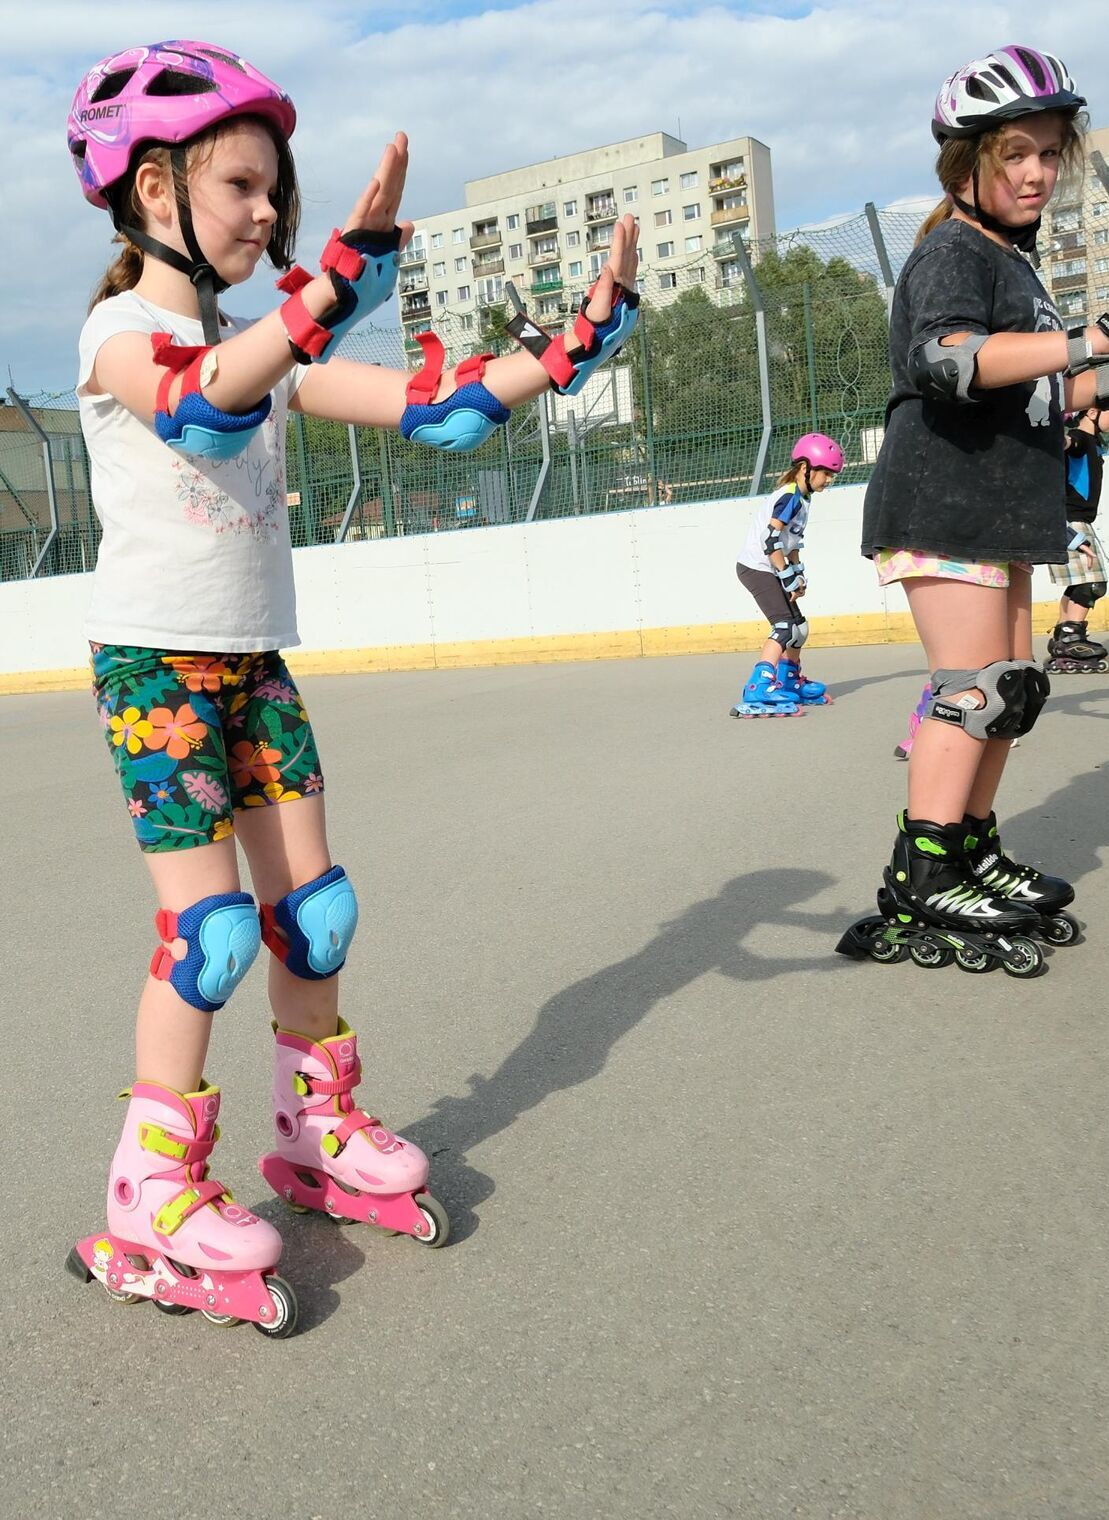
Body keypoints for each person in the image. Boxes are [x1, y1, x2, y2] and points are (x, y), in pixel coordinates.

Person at [63, 39, 640, 1335]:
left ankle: (314, 1128)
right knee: (207, 937)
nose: (271, 212)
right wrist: (319, 294)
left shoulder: (263, 343)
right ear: (154, 191)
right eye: (242, 186)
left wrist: (567, 352)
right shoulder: (122, 332)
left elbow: (435, 414)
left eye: (279, 189)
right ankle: (152, 1191)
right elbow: (200, 405)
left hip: (253, 662)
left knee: (312, 917)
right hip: (154, 668)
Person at [838, 44, 1109, 977]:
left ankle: (968, 851)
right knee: (971, 694)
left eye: (1049, 153)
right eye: (1016, 154)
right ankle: (923, 872)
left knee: (1012, 697)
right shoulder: (955, 251)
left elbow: (1040, 395)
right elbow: (949, 360)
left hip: (1001, 505)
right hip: (945, 500)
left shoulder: (1012, 262)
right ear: (970, 164)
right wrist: (1089, 337)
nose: (1037, 171)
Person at [731, 433, 844, 717]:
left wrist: (798, 572)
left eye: (832, 474)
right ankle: (759, 686)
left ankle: (789, 680)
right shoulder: (790, 496)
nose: (829, 480)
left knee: (799, 629)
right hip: (757, 568)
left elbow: (791, 542)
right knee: (784, 626)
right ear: (806, 467)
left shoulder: (803, 499)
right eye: (826, 473)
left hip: (772, 567)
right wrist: (787, 575)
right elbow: (771, 540)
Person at [1046, 405, 1109, 672]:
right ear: (1092, 412)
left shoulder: (1093, 442)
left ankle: (1062, 636)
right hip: (1070, 523)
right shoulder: (1079, 439)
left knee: (1079, 584)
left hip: (1078, 522)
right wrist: (1056, 434)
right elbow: (1067, 442)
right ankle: (1070, 638)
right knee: (1092, 585)